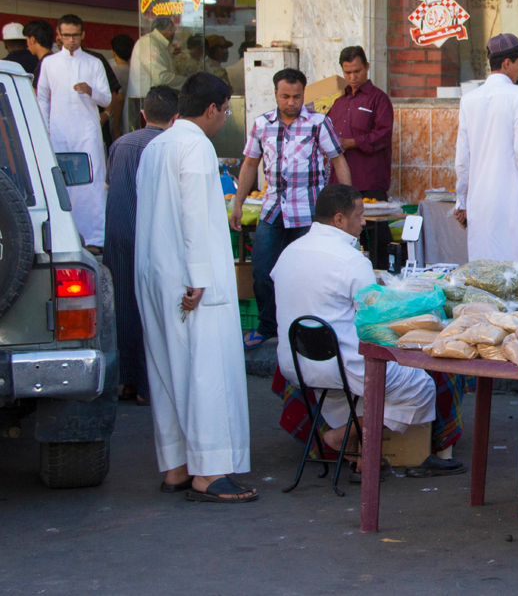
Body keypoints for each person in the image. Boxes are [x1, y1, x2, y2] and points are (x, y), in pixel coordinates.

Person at [273, 183, 460, 477]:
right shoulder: (350, 260)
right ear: (339, 220)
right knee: (422, 387)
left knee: (350, 395)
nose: (363, 222)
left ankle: (362, 455)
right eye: (359, 215)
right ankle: (342, 437)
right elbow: (375, 318)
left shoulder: (288, 253)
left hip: (295, 365)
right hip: (344, 366)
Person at [134, 72, 257, 503]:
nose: (224, 119)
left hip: (155, 273)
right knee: (207, 373)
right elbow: (196, 216)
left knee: (168, 371)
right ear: (211, 109)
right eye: (225, 111)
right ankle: (209, 472)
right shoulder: (196, 146)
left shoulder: (155, 146)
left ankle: (177, 467)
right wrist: (199, 277)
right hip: (191, 281)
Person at [231, 68, 351, 349]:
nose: (291, 102)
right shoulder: (262, 124)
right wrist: (238, 203)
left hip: (309, 213)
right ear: (275, 94)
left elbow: (338, 160)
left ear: (303, 94)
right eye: (285, 96)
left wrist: (348, 206)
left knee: (307, 275)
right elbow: (250, 164)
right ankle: (266, 326)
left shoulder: (319, 123)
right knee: (263, 271)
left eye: (296, 97)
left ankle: (307, 330)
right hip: (272, 210)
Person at [104, 85, 179, 405]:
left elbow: (111, 185)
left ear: (144, 114)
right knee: (153, 309)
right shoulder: (170, 146)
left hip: (118, 235)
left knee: (123, 307)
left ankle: (126, 382)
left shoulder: (120, 144)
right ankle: (148, 387)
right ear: (176, 118)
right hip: (152, 238)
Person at [453, 33, 518, 275]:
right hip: (511, 198)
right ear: (506, 63)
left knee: (486, 276)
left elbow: (462, 159)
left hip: (479, 201)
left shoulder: (468, 100)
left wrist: (461, 200)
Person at [36, 14, 111, 250]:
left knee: (92, 184)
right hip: (58, 132)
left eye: (75, 35)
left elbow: (107, 99)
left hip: (87, 132)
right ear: (59, 35)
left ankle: (95, 239)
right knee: (62, 182)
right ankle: (64, 238)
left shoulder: (93, 63)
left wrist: (90, 91)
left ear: (83, 35)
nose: (71, 40)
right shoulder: (49, 63)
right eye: (66, 35)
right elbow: (42, 98)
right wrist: (44, 131)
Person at [326, 45, 394, 266]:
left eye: (357, 71)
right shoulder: (338, 103)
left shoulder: (379, 99)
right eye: (347, 73)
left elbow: (383, 135)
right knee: (342, 235)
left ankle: (384, 276)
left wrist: (351, 142)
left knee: (376, 236)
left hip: (369, 181)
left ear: (367, 67)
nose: (352, 77)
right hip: (341, 184)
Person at [129, 17, 184, 131]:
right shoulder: (149, 43)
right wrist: (186, 81)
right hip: (145, 100)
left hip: (153, 99)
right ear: (169, 28)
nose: (174, 33)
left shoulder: (159, 44)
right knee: (149, 137)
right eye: (173, 29)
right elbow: (160, 77)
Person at [79, 43, 123, 151]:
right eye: (63, 35)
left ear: (81, 35)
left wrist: (106, 114)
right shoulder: (53, 62)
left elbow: (113, 91)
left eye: (73, 35)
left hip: (97, 124)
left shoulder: (96, 60)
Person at [109, 34, 134, 138]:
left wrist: (116, 130)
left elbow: (119, 99)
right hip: (133, 121)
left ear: (113, 52)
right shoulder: (135, 71)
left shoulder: (113, 71)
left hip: (119, 124)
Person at [22, 19, 54, 85]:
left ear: (32, 40)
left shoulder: (44, 64)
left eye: (27, 40)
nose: (27, 44)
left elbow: (36, 91)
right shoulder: (57, 60)